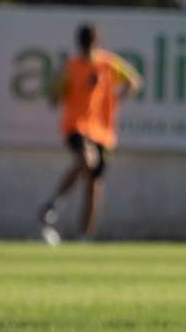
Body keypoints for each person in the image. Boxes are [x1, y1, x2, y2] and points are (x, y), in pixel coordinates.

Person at [38, 24, 143, 244]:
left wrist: (118, 100)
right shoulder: (71, 66)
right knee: (88, 159)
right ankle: (55, 201)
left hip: (103, 131)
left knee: (94, 186)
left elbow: (134, 81)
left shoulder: (109, 63)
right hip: (76, 125)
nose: (86, 52)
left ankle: (84, 238)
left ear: (97, 44)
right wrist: (58, 81)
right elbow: (53, 102)